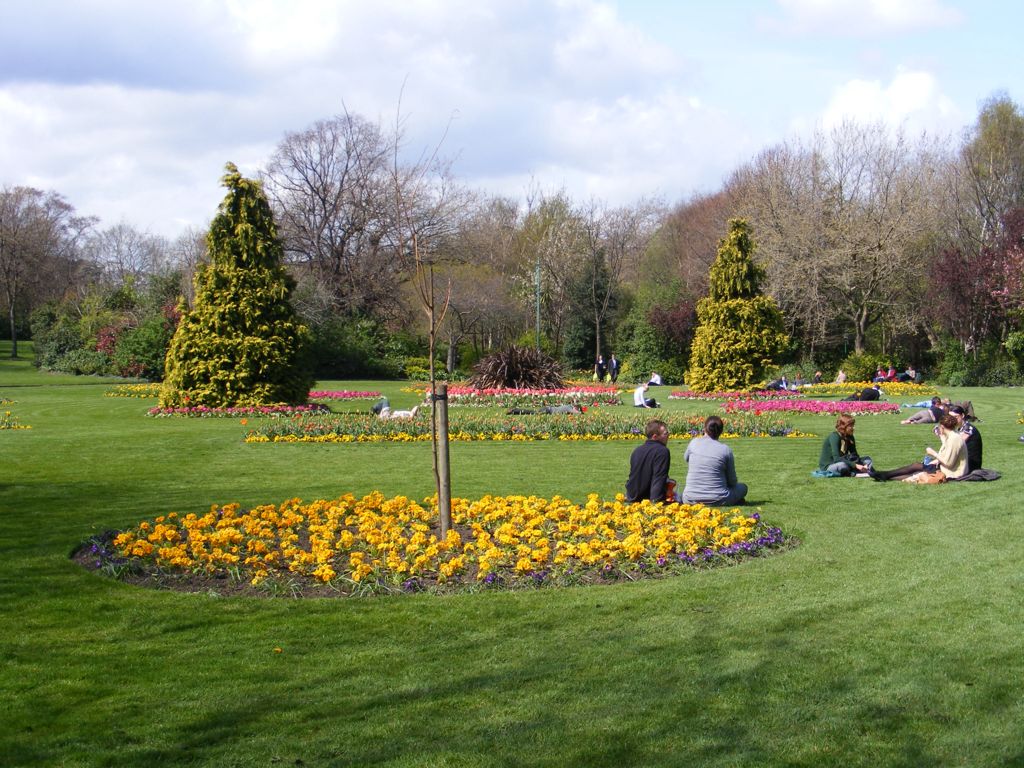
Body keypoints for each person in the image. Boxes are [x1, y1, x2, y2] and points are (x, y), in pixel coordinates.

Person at [870, 413, 967, 482]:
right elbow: (947, 453)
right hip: (946, 469)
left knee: (917, 470)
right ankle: (885, 475)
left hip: (952, 473)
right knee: (916, 467)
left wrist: (933, 453)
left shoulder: (954, 439)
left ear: (942, 426)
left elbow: (949, 463)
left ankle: (885, 475)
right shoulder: (952, 436)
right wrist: (941, 437)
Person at [681, 415, 748, 506]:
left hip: (690, 498)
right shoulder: (725, 450)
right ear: (721, 431)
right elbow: (732, 482)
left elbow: (686, 458)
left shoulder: (694, 443)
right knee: (743, 487)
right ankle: (735, 500)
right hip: (718, 498)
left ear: (705, 428)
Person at [626, 419, 671, 503]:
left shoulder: (637, 450)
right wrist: (656, 504)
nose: (668, 435)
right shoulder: (662, 451)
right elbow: (658, 478)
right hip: (646, 498)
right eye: (665, 433)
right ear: (655, 437)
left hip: (632, 497)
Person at [949, 405, 983, 473]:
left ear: (962, 415)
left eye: (955, 417)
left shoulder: (968, 429)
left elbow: (956, 445)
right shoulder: (960, 428)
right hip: (964, 461)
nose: (953, 420)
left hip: (971, 465)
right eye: (951, 417)